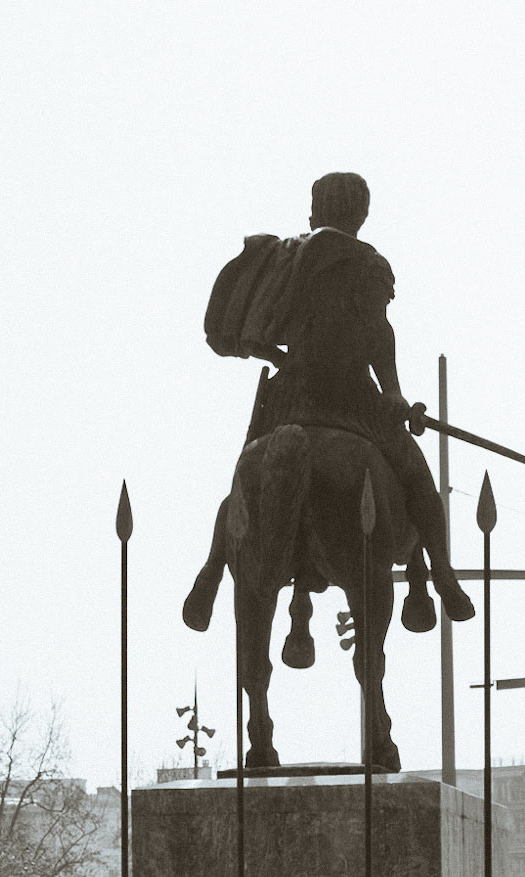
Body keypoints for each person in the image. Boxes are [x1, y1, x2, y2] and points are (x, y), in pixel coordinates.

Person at [188, 172, 474, 632]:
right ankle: (441, 573)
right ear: (360, 215)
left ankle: (210, 572)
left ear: (316, 211)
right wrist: (393, 391)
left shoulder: (283, 255)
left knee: (243, 479)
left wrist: (279, 357)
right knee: (415, 473)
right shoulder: (368, 262)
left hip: (288, 398)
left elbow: (247, 334)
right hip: (350, 398)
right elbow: (377, 332)